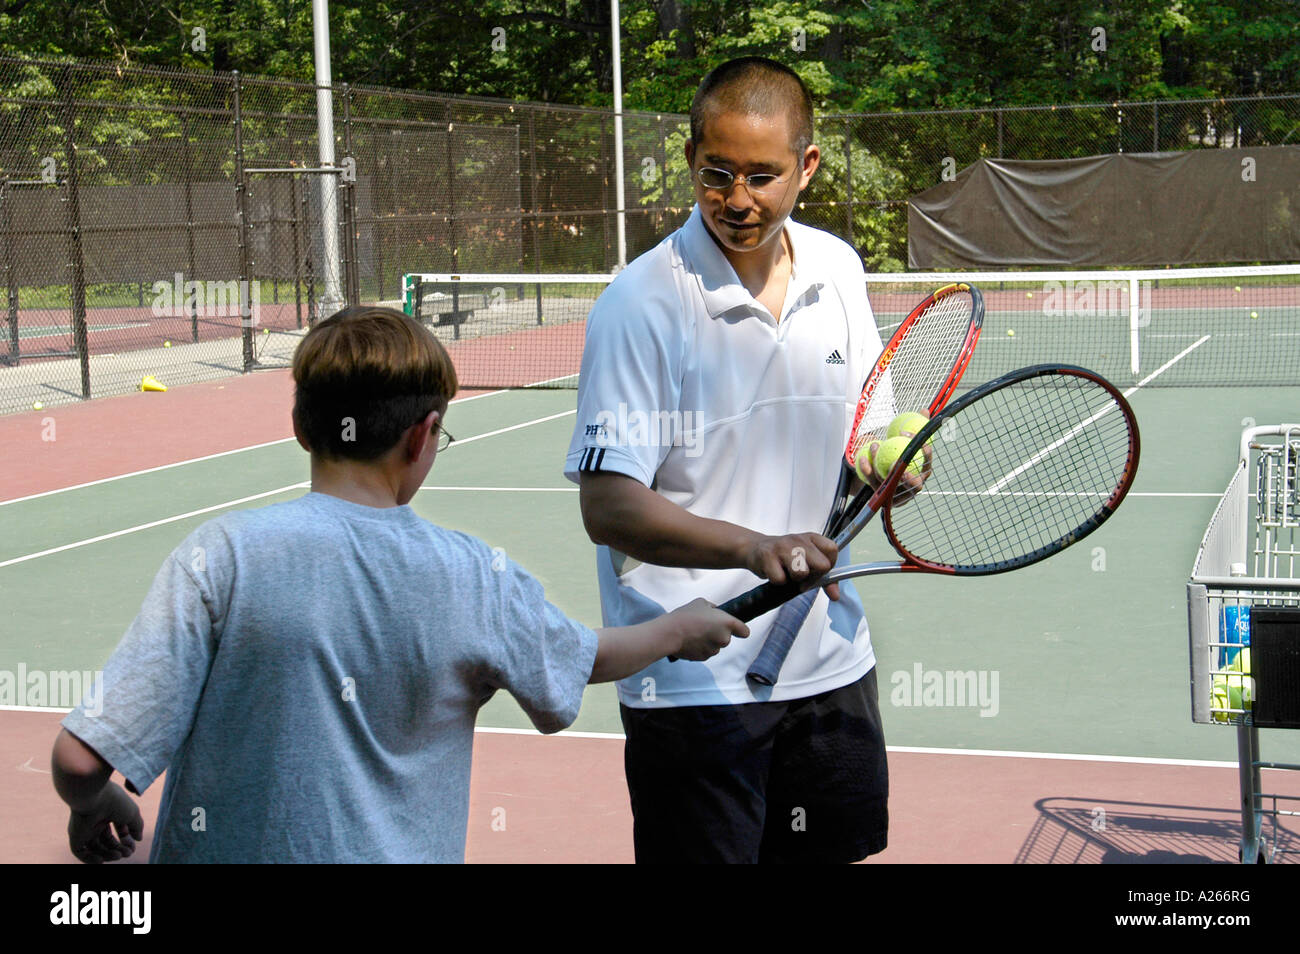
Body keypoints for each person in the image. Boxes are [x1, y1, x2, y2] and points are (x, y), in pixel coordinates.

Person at [50, 304, 747, 864]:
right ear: (423, 435)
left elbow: (80, 759)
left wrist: (96, 805)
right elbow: (580, 656)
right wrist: (677, 630)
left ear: (300, 427)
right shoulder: (473, 575)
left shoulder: (220, 557)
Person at [564, 57, 888, 863]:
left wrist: (890, 470)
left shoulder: (840, 272)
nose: (738, 200)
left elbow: (868, 445)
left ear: (807, 166)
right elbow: (610, 507)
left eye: (762, 176)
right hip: (690, 683)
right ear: (690, 158)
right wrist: (754, 548)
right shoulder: (642, 304)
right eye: (717, 173)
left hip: (830, 669)